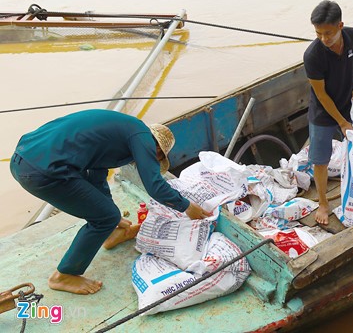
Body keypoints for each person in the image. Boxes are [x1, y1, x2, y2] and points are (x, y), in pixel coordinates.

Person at [9, 109, 211, 295]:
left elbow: (96, 174)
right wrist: (187, 207)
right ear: (157, 149)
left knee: (108, 216)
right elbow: (154, 186)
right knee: (105, 217)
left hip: (24, 158)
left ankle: (112, 232)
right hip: (42, 172)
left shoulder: (121, 132)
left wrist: (113, 217)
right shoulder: (142, 138)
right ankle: (64, 275)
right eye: (155, 157)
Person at [303, 0, 353, 225]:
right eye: (318, 33)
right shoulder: (313, 55)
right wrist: (340, 122)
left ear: (340, 26)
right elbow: (321, 95)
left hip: (349, 103)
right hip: (323, 113)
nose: (323, 38)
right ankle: (323, 202)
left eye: (328, 33)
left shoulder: (351, 36)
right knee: (320, 161)